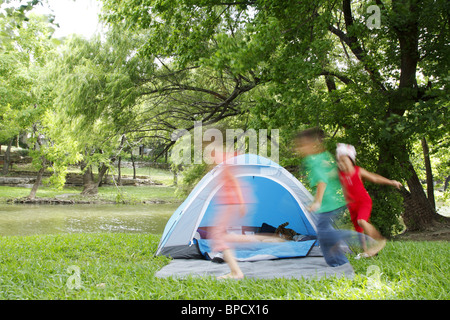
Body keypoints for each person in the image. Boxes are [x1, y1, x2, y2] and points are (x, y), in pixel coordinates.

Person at [294, 128, 349, 267]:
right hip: (330, 201)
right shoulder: (323, 156)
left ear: (311, 144)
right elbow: (332, 173)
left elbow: (322, 181)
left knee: (325, 233)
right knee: (324, 234)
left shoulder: (314, 160)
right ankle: (336, 262)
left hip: (328, 202)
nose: (299, 148)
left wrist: (317, 202)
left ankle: (358, 239)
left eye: (302, 145)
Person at [336, 143, 402, 258]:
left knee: (361, 221)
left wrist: (391, 182)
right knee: (359, 230)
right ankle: (367, 252)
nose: (341, 164)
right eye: (339, 161)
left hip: (363, 202)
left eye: (344, 160)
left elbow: (375, 178)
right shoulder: (340, 174)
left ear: (351, 161)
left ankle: (380, 240)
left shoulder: (358, 171)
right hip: (352, 205)